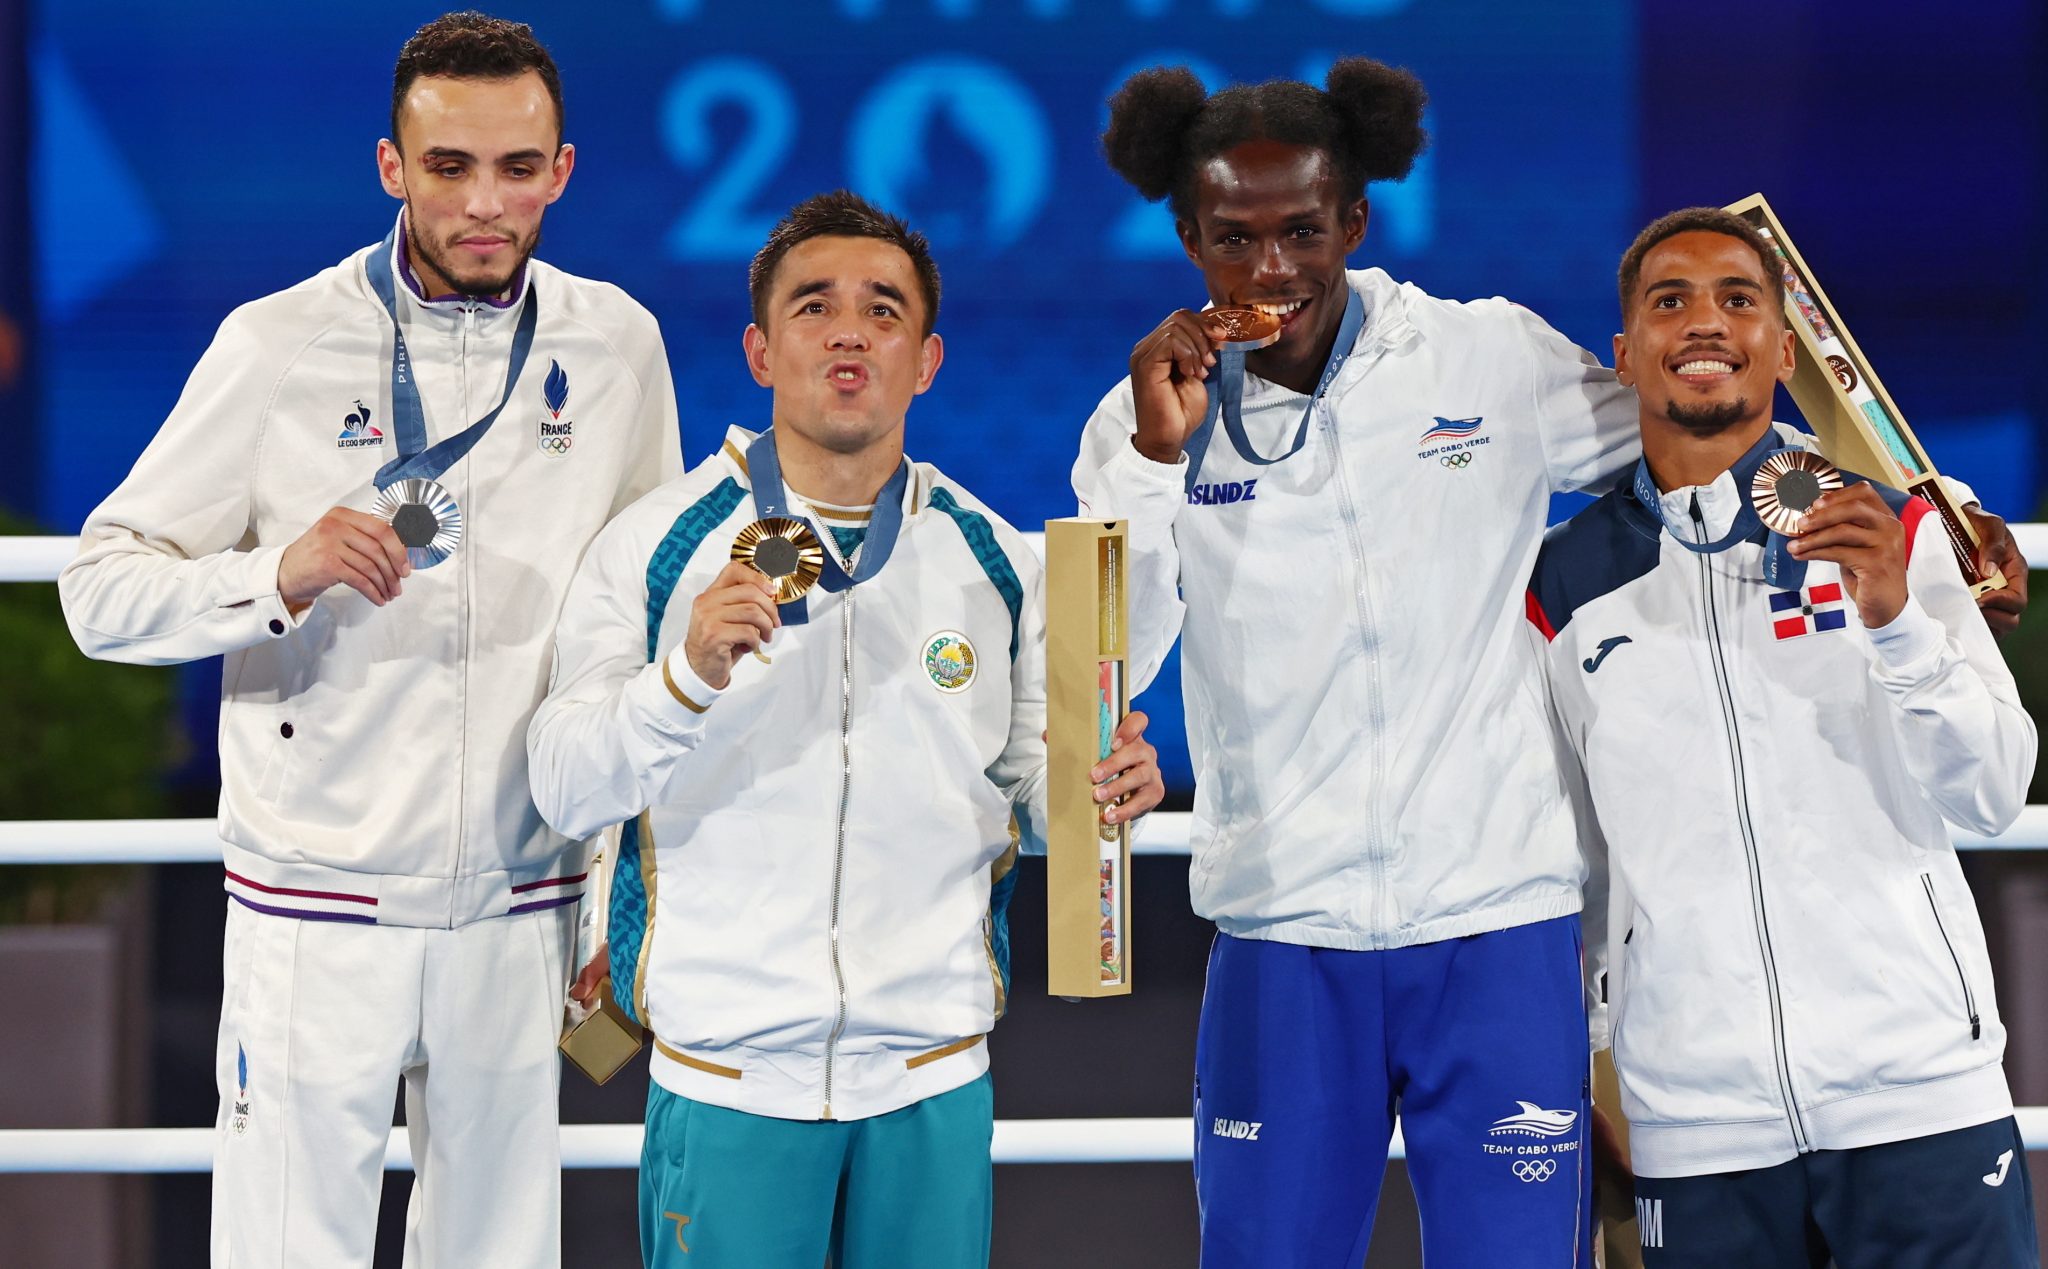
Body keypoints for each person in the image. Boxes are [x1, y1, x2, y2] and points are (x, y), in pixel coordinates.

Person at [1071, 60, 2031, 1268]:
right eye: (1234, 239)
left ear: (1353, 221)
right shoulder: (1141, 420)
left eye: (1302, 231)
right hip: (1279, 926)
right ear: (1187, 239)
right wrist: (1154, 463)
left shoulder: (1485, 360)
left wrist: (1924, 504)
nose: (1272, 269)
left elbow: (1699, 415)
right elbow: (1107, 657)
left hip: (1498, 928)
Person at [57, 13, 680, 1266]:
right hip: (313, 907)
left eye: (517, 167)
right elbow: (98, 593)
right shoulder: (277, 342)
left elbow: (636, 629)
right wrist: (273, 577)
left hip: (524, 905)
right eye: (449, 166)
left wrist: (621, 889)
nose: (484, 202)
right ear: (392, 166)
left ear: (562, 171)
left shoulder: (616, 345)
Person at [527, 190, 1166, 1269]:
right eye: (813, 306)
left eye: (883, 310)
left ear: (926, 361)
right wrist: (683, 679)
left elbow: (1032, 804)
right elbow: (563, 785)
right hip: (729, 1078)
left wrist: (1102, 793)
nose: (849, 333)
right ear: (760, 351)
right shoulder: (655, 547)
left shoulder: (993, 560)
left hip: (932, 1077)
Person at [1528, 208, 2038, 1268]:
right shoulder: (1560, 585)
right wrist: (1588, 1073)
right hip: (1694, 1119)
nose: (1703, 322)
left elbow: (1992, 791)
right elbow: (1571, 860)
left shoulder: (1900, 528)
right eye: (1669, 300)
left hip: (1917, 1090)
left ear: (1783, 349)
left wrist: (1895, 622)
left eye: (1737, 299)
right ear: (1623, 353)